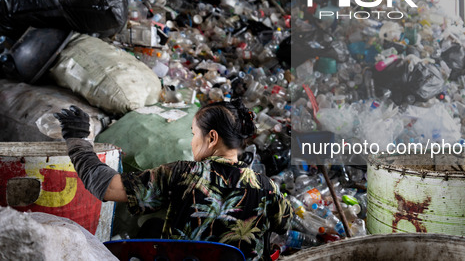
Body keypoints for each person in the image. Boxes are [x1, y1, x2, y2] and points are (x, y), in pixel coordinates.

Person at [55, 100, 293, 261]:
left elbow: (104, 186)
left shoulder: (182, 174)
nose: (192, 142)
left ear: (211, 137)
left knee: (151, 230)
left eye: (193, 134)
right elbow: (284, 228)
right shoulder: (268, 188)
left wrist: (78, 141)